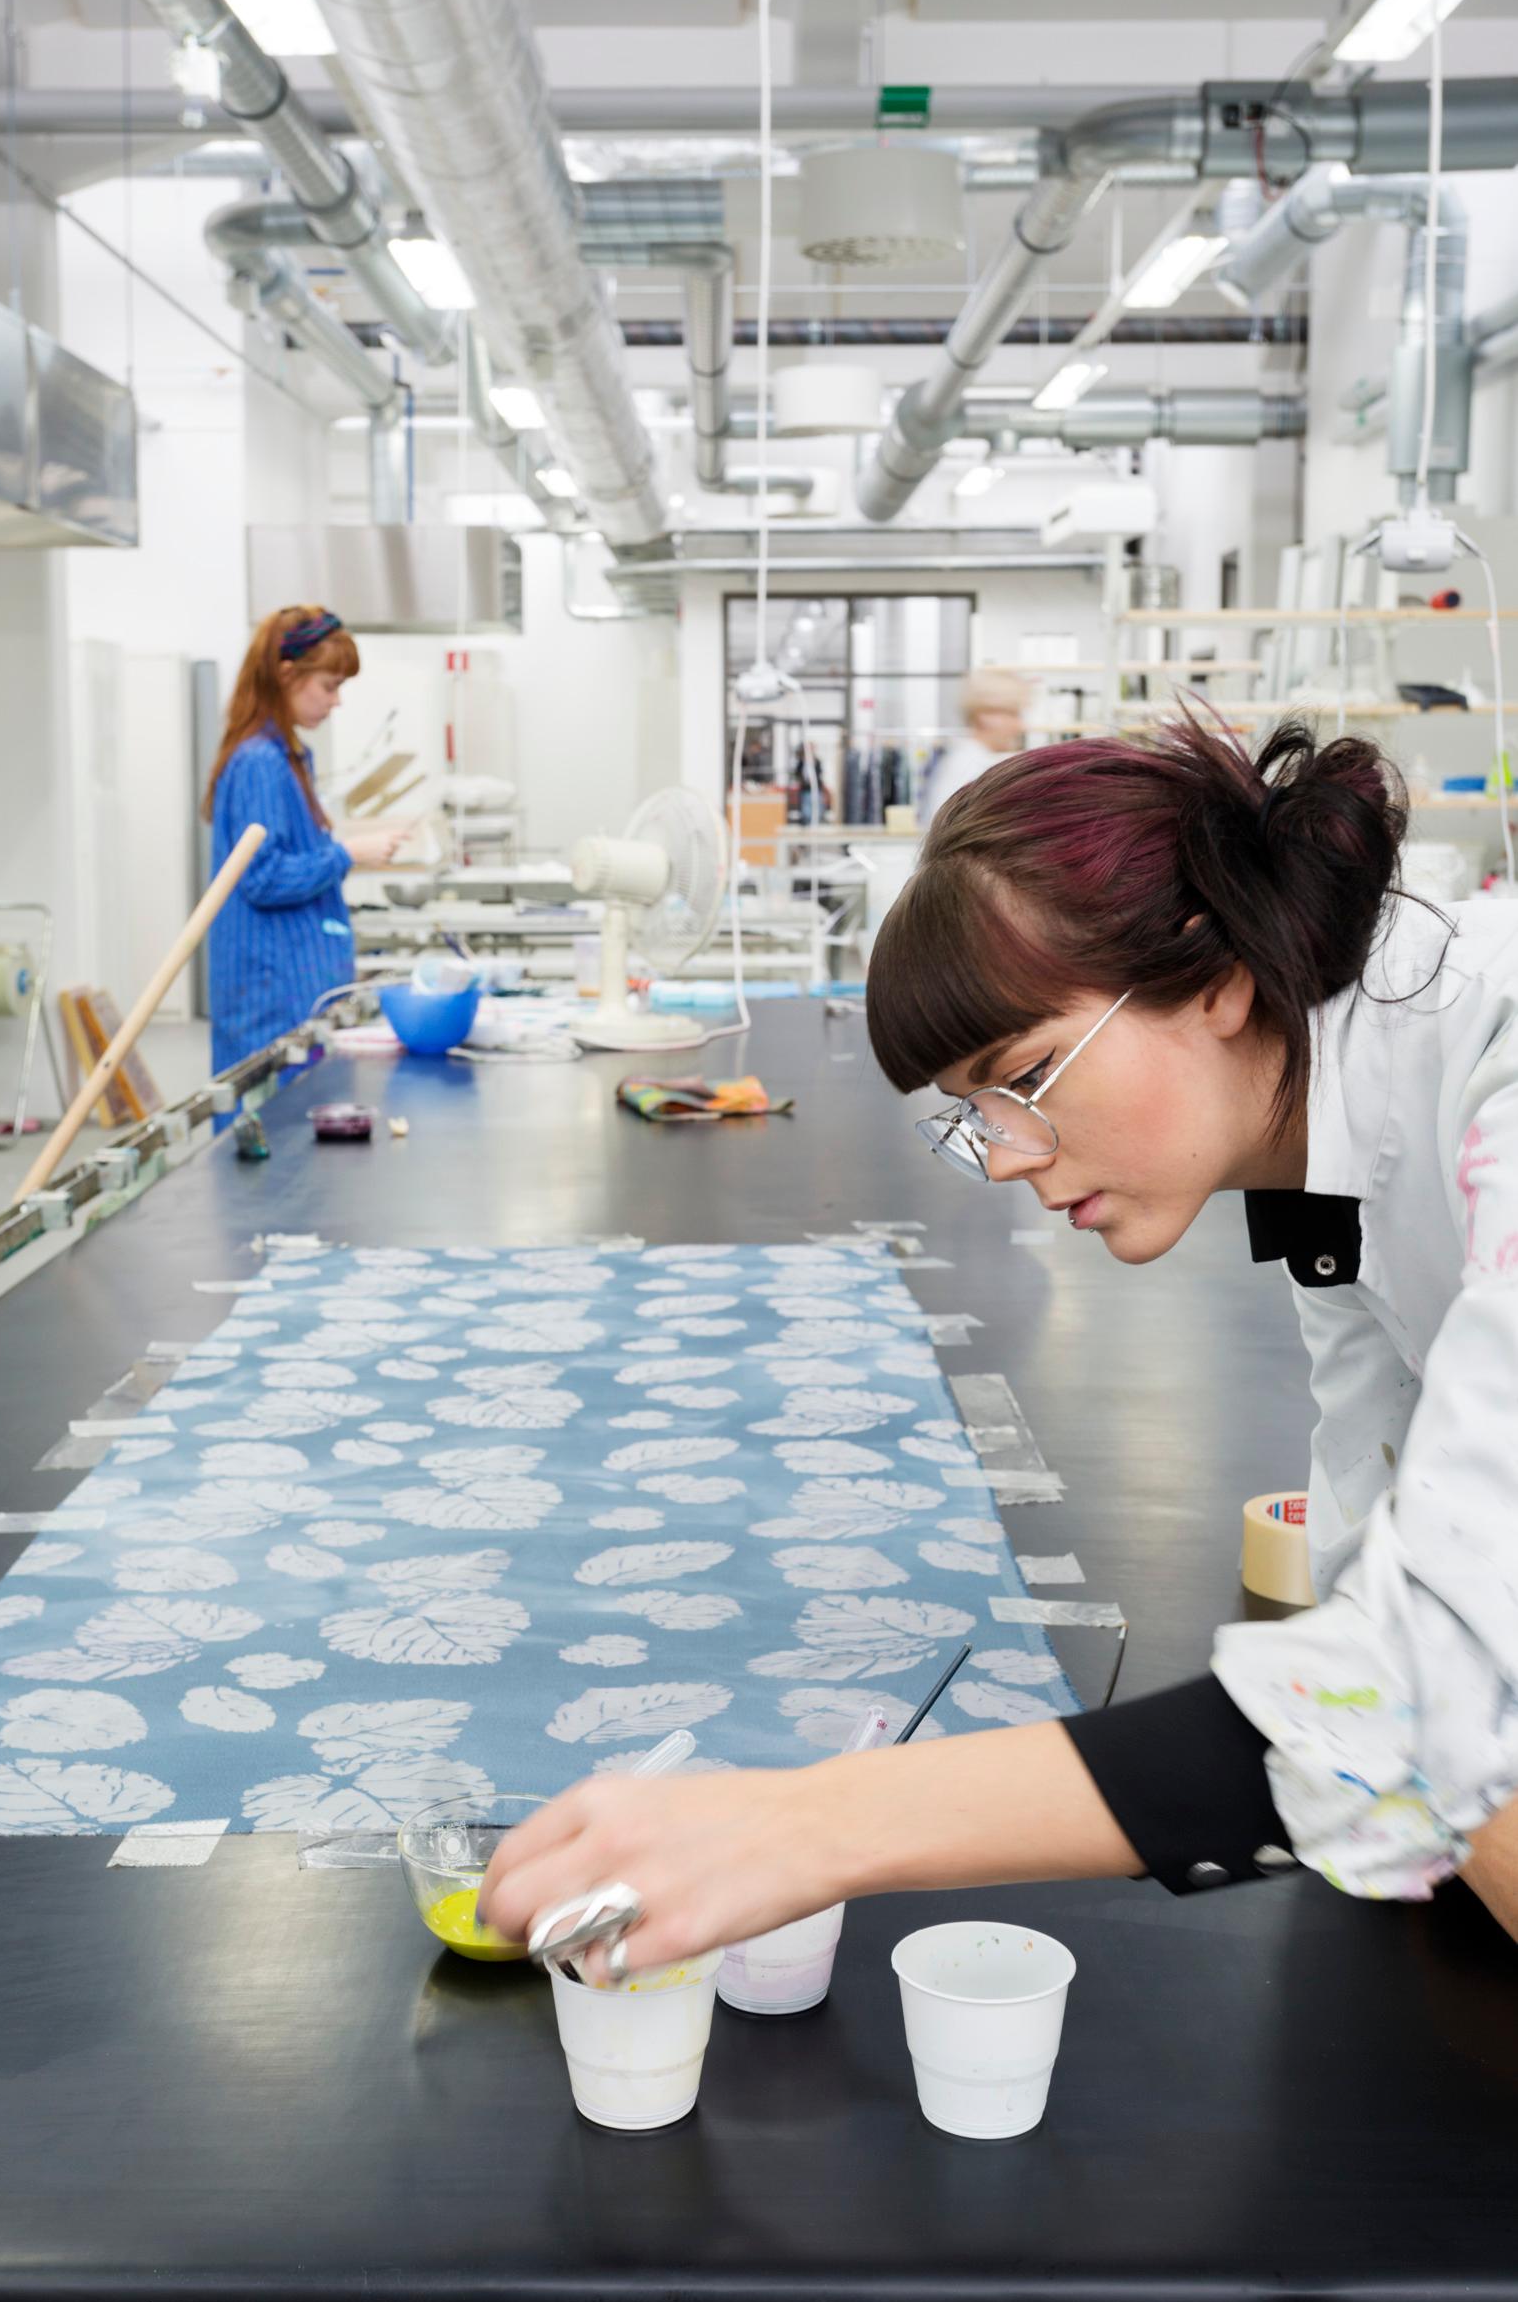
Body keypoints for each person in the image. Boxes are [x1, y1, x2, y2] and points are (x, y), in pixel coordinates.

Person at [478, 713, 1518, 1971]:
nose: (1011, 1159)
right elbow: (1388, 1595)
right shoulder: (1321, 1132)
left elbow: (1408, 1697)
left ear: (1216, 974)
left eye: (1022, 1077)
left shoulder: (1492, 1077)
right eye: (974, 1119)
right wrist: (1416, 1753)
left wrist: (799, 1826)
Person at [203, 606, 406, 1074]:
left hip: (292, 987)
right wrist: (348, 854)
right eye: (329, 687)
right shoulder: (260, 762)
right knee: (271, 1128)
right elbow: (264, 876)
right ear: (285, 675)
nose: (335, 703)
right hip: (271, 993)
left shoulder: (287, 756)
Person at [919, 666, 1029, 827]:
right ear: (985, 716)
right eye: (1013, 714)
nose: (1020, 726)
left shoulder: (979, 761)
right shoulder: (968, 768)